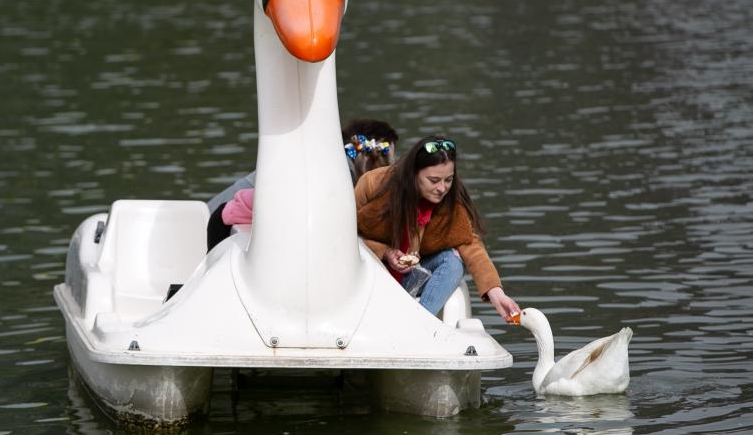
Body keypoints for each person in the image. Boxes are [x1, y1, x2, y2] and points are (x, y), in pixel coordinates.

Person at [355, 135, 521, 322]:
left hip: (410, 277)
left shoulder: (450, 203)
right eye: (434, 180)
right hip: (371, 277)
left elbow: (470, 243)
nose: (442, 188)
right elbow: (346, 233)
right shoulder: (373, 184)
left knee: (452, 262)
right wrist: (385, 252)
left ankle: (420, 324)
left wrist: (496, 293)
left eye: (448, 180)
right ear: (413, 173)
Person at [205, 118, 399, 251]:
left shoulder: (327, 159)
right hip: (221, 227)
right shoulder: (337, 173)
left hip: (218, 220)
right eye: (388, 154)